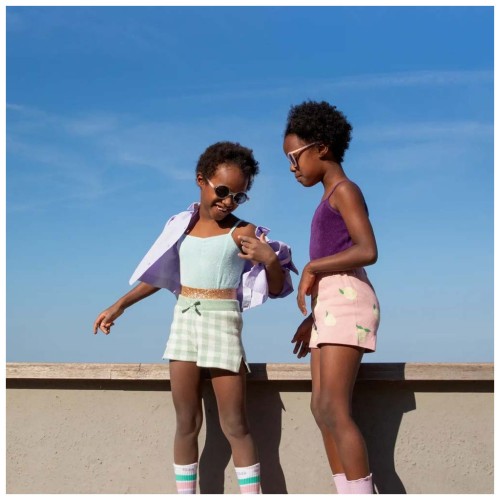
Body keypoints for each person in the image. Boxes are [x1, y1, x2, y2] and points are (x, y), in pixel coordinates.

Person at [93, 141, 297, 494]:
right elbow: (161, 276)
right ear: (201, 180)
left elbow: (277, 288)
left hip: (223, 325)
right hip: (184, 323)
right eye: (223, 191)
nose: (228, 202)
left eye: (239, 196)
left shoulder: (243, 232)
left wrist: (270, 260)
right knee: (186, 422)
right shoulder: (181, 227)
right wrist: (120, 305)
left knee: (235, 425)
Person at [283, 101, 380, 495]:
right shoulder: (325, 199)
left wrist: (312, 267)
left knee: (335, 409)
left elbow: (367, 249)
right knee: (320, 408)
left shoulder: (345, 191)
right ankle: (347, 490)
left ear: (321, 148)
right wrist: (314, 317)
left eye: (294, 157)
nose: (292, 168)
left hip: (348, 302)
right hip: (330, 307)